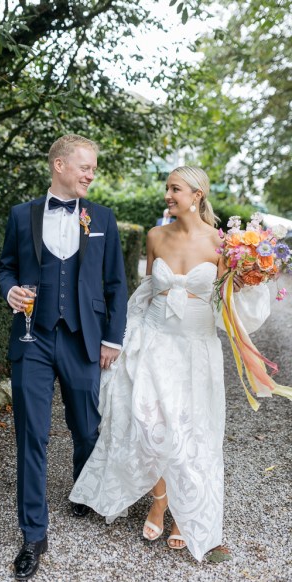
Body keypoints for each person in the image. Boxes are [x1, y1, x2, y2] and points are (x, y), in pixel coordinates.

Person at [70, 166, 270, 560]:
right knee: (148, 423)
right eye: (166, 188)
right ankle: (159, 500)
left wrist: (251, 281)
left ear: (197, 194)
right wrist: (124, 342)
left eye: (174, 189)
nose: (167, 195)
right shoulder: (155, 236)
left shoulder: (223, 245)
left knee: (189, 431)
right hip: (155, 342)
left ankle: (184, 511)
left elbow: (229, 306)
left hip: (195, 349)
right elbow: (146, 293)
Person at [0, 134, 128, 580]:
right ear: (59, 166)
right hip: (32, 338)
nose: (91, 173)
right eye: (85, 166)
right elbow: (5, 266)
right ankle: (34, 534)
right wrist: (8, 289)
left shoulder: (103, 218)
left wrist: (113, 339)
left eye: (93, 167)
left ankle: (84, 488)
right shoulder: (21, 215)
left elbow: (116, 285)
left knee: (86, 425)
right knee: (31, 434)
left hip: (83, 336)